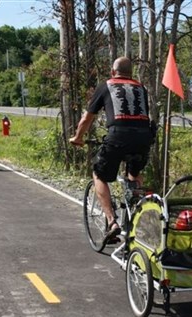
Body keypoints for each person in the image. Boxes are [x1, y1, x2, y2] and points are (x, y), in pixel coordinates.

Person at [69, 57, 155, 245]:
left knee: (99, 174)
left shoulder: (106, 85)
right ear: (131, 73)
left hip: (118, 137)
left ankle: (112, 222)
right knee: (135, 173)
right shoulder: (141, 88)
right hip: (143, 138)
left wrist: (78, 137)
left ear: (112, 71)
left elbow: (87, 118)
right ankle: (140, 217)